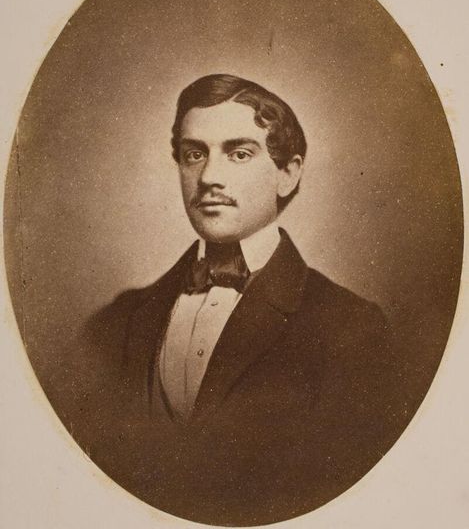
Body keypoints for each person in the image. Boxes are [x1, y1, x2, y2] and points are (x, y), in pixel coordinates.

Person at [78, 75, 402, 526]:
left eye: (239, 154)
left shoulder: (352, 329)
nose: (209, 177)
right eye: (194, 154)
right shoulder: (116, 322)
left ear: (287, 174)